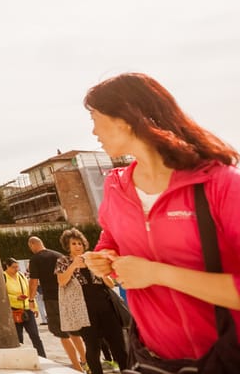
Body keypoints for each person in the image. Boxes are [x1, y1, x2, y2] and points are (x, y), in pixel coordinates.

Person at [82, 73, 240, 370]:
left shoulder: (220, 184)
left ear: (124, 120)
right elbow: (111, 239)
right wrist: (103, 256)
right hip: (153, 361)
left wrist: (158, 273)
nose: (93, 131)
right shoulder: (116, 188)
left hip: (226, 358)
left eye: (95, 118)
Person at [56, 228, 127, 374]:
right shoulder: (63, 261)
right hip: (84, 311)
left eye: (80, 243)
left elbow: (111, 284)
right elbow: (62, 282)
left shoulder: (92, 259)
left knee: (119, 346)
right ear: (67, 246)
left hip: (106, 307)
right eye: (74, 243)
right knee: (92, 347)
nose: (78, 246)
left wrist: (99, 271)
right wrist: (74, 265)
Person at [28, 236, 86, 371]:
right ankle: (85, 360)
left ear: (32, 245)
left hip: (52, 299)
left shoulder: (35, 259)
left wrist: (31, 300)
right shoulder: (59, 255)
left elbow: (34, 281)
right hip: (66, 296)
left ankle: (77, 367)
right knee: (74, 332)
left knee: (62, 334)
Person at [3, 257, 46, 357]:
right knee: (18, 337)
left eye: (17, 267)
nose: (16, 269)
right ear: (7, 267)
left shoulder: (21, 275)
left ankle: (42, 356)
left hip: (27, 309)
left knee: (35, 335)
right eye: (14, 267)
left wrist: (34, 306)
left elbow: (29, 291)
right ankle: (20, 357)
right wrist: (16, 298)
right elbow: (1, 295)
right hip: (13, 310)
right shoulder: (2, 277)